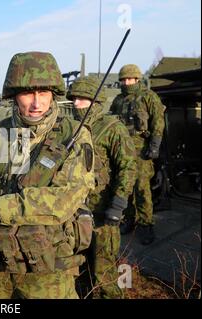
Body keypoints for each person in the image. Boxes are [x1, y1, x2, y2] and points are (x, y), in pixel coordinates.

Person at [0, 52, 95, 299]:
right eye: (28, 93)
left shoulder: (74, 135)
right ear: (14, 95)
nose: (37, 103)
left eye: (44, 93)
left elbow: (63, 200)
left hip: (49, 272)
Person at [67, 76, 137, 298]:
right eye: (74, 99)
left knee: (104, 271)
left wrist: (118, 205)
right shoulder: (70, 129)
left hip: (102, 212)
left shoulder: (112, 128)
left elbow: (128, 167)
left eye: (81, 99)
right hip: (75, 212)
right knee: (80, 270)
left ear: (95, 102)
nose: (76, 104)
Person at [110, 64, 165, 245]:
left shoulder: (149, 97)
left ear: (137, 79)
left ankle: (146, 225)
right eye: (124, 79)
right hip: (122, 150)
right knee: (125, 187)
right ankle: (129, 220)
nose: (127, 82)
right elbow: (111, 123)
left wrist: (154, 145)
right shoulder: (118, 100)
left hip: (141, 150)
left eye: (130, 79)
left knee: (142, 189)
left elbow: (158, 121)